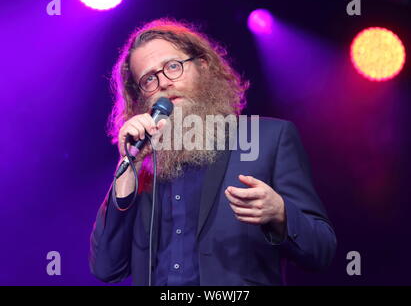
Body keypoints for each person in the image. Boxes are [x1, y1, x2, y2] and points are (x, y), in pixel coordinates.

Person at [89, 18, 337, 286]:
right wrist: (128, 167)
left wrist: (281, 214)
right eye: (149, 78)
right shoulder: (144, 166)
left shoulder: (269, 139)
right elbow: (106, 268)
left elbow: (321, 249)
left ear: (203, 66)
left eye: (173, 66)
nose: (163, 82)